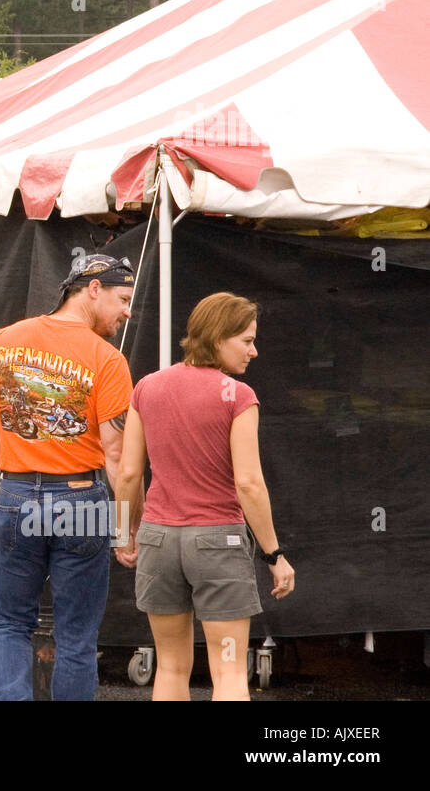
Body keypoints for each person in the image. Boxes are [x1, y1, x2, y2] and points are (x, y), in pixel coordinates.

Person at [0, 252, 135, 700]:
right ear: (92, 289)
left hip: (17, 496)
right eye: (123, 298)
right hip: (82, 499)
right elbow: (118, 456)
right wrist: (129, 524)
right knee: (76, 637)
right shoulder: (107, 359)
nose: (127, 311)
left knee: (11, 624)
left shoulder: (2, 341)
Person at [114, 292, 295, 701]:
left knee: (172, 668)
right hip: (217, 543)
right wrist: (274, 555)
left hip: (158, 540)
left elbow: (128, 474)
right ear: (218, 338)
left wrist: (123, 535)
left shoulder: (147, 388)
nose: (254, 350)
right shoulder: (238, 396)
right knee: (229, 671)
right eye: (246, 340)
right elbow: (249, 483)